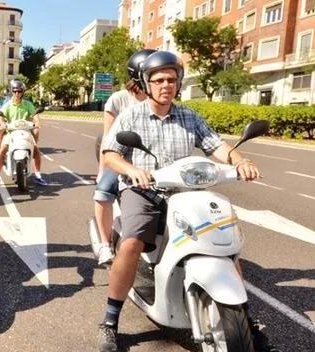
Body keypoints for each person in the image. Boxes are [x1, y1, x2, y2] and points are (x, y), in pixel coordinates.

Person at [96, 51, 261, 352]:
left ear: (179, 82)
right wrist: (133, 170)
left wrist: (240, 161)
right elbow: (110, 155)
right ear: (147, 84)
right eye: (158, 80)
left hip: (186, 192)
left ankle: (245, 318)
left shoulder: (189, 116)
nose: (165, 85)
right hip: (144, 191)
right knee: (131, 242)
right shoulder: (131, 115)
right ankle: (110, 320)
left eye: (171, 79)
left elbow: (217, 146)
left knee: (225, 244)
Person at [93, 49, 154, 266]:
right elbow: (108, 138)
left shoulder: (160, 97)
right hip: (121, 160)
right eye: (151, 72)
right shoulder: (118, 99)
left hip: (153, 161)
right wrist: (103, 169)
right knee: (102, 193)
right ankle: (104, 243)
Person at [0, 79, 47, 186]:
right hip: (11, 132)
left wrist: (37, 123)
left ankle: (38, 176)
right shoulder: (7, 104)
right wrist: (2, 123)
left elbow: (35, 115)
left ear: (23, 92)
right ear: (12, 91)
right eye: (15, 91)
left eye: (19, 91)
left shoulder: (28, 104)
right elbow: (1, 115)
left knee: (36, 153)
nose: (17, 93)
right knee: (2, 151)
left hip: (26, 132)